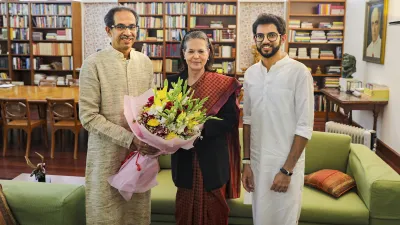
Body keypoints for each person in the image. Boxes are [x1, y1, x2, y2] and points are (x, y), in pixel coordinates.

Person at [79, 6, 159, 225]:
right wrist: (129, 138)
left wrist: (157, 136)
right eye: (121, 26)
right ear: (108, 30)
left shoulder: (144, 62)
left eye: (132, 26)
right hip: (106, 155)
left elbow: (151, 108)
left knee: (137, 212)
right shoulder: (93, 64)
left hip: (140, 156)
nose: (128, 32)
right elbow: (88, 117)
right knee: (105, 211)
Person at [241, 14, 314, 225]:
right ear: (255, 39)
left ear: (282, 38)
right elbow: (247, 120)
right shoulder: (251, 74)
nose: (265, 40)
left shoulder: (299, 72)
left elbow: (304, 127)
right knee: (260, 219)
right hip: (257, 163)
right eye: (260, 36)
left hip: (285, 164)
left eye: (271, 35)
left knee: (285, 219)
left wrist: (286, 170)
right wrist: (247, 164)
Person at [167, 30, 242, 225]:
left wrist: (202, 127)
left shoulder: (222, 84)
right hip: (183, 159)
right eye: (191, 51)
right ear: (183, 53)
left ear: (209, 53)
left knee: (214, 210)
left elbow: (230, 119)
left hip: (213, 158)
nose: (196, 56)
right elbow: (165, 118)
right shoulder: (172, 83)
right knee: (184, 206)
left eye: (201, 51)